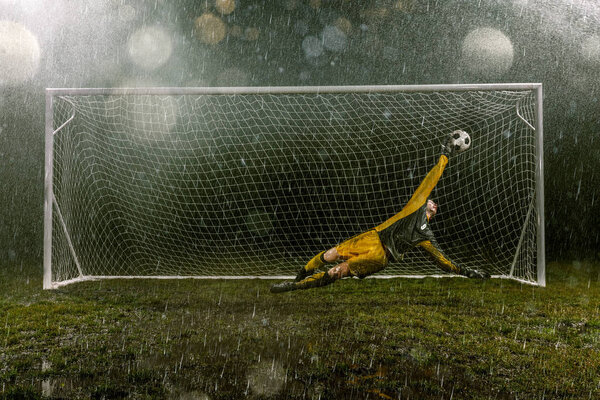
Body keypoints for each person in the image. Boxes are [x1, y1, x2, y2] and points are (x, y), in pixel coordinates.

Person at [270, 133, 489, 294]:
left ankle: (293, 287)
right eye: (433, 201)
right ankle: (298, 276)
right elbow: (431, 180)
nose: (434, 203)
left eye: (435, 205)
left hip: (380, 256)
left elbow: (442, 261)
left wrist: (467, 272)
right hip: (372, 236)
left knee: (337, 271)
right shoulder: (417, 204)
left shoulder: (425, 236)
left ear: (434, 211)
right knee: (329, 255)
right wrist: (445, 156)